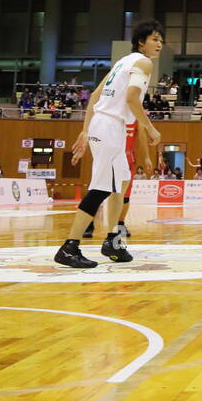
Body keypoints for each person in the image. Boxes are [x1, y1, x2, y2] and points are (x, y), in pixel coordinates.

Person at [55, 19, 163, 268]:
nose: (159, 44)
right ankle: (69, 247)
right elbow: (132, 98)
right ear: (141, 42)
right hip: (111, 127)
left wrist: (85, 130)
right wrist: (150, 128)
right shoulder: (143, 63)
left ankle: (112, 241)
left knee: (120, 183)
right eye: (155, 39)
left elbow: (94, 96)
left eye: (161, 40)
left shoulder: (122, 62)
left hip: (104, 125)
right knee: (102, 187)